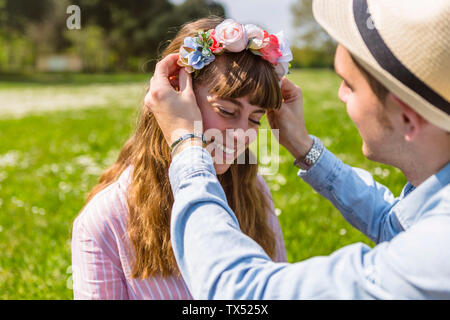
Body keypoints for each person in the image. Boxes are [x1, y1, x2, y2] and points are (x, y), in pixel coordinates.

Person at [146, 0, 450, 299]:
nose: (340, 95)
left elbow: (240, 293)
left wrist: (186, 144)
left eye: (349, 85)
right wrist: (303, 147)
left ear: (407, 118)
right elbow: (394, 224)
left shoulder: (432, 259)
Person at [71, 17, 290, 300]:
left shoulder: (253, 190)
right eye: (226, 111)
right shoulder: (106, 220)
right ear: (174, 94)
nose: (240, 135)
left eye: (255, 119)